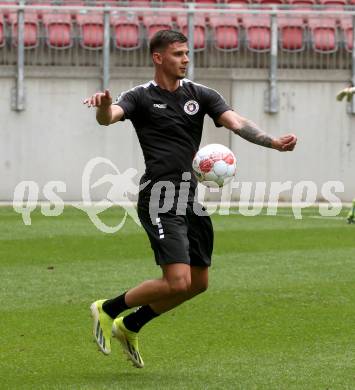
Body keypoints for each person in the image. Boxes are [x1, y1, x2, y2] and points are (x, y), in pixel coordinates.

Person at [83, 30, 297, 369]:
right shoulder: (139, 96)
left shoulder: (201, 94)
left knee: (197, 284)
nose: (185, 59)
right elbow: (109, 118)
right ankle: (107, 310)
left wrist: (271, 141)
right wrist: (105, 106)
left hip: (189, 197)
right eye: (178, 54)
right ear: (158, 57)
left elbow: (236, 122)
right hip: (159, 196)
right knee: (177, 280)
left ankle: (131, 325)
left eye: (187, 53)